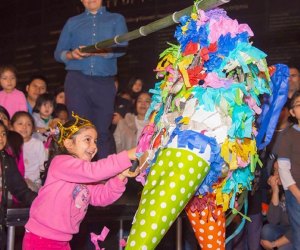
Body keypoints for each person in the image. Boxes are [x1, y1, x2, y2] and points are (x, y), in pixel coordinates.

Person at [22, 113, 138, 250]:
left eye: (95, 141)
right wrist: (127, 155)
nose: (94, 146)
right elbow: (93, 171)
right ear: (69, 143)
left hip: (63, 241)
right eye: (87, 140)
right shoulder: (61, 163)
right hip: (41, 239)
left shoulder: (84, 177)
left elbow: (102, 196)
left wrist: (120, 177)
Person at [54, 0, 128, 159]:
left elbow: (123, 46)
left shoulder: (116, 19)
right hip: (77, 81)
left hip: (104, 82)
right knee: (78, 129)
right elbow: (58, 53)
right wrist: (71, 54)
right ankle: (79, 174)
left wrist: (100, 51)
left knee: (102, 130)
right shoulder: (72, 22)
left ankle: (104, 177)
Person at [277, 90, 300, 249]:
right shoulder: (288, 135)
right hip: (296, 193)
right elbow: (283, 168)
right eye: (299, 105)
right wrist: (297, 193)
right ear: (292, 112)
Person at [11, 111, 46, 192]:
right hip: (13, 182)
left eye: (28, 124)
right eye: (20, 123)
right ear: (11, 127)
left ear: (33, 128)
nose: (24, 127)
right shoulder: (9, 144)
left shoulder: (37, 144)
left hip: (33, 183)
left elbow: (43, 167)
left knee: (26, 187)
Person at [260, 166, 293, 250]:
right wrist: (275, 190)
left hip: (296, 232)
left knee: (283, 248)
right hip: (285, 229)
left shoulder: (296, 191)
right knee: (267, 230)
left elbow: (297, 230)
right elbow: (273, 220)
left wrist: (273, 245)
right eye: (275, 170)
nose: (276, 174)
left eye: (280, 170)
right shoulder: (282, 190)